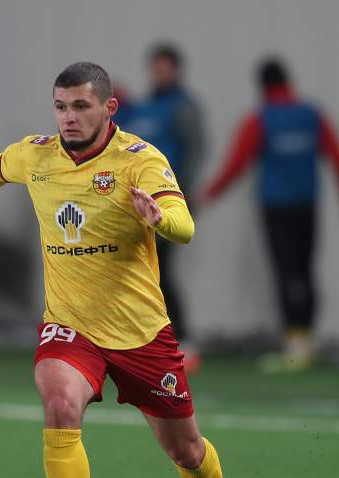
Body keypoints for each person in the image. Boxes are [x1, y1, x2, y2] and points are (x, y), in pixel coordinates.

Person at [0, 62, 226, 478]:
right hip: (71, 326)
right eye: (61, 107)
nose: (68, 117)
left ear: (109, 108)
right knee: (60, 405)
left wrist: (160, 219)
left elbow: (184, 226)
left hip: (139, 331)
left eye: (81, 106)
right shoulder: (36, 155)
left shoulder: (139, 159)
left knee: (186, 451)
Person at [200, 58, 339, 372]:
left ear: (262, 86)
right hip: (307, 205)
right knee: (305, 270)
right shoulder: (312, 115)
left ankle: (294, 344)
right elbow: (338, 154)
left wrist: (207, 195)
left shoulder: (260, 119)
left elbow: (236, 164)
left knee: (285, 273)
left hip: (276, 207)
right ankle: (308, 341)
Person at [124, 43, 205, 370]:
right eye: (155, 67)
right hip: (136, 205)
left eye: (164, 68)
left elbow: (194, 151)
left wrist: (182, 194)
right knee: (141, 271)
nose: (159, 73)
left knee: (161, 271)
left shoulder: (183, 107)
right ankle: (145, 342)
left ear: (176, 70)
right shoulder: (142, 107)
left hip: (167, 202)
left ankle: (183, 340)